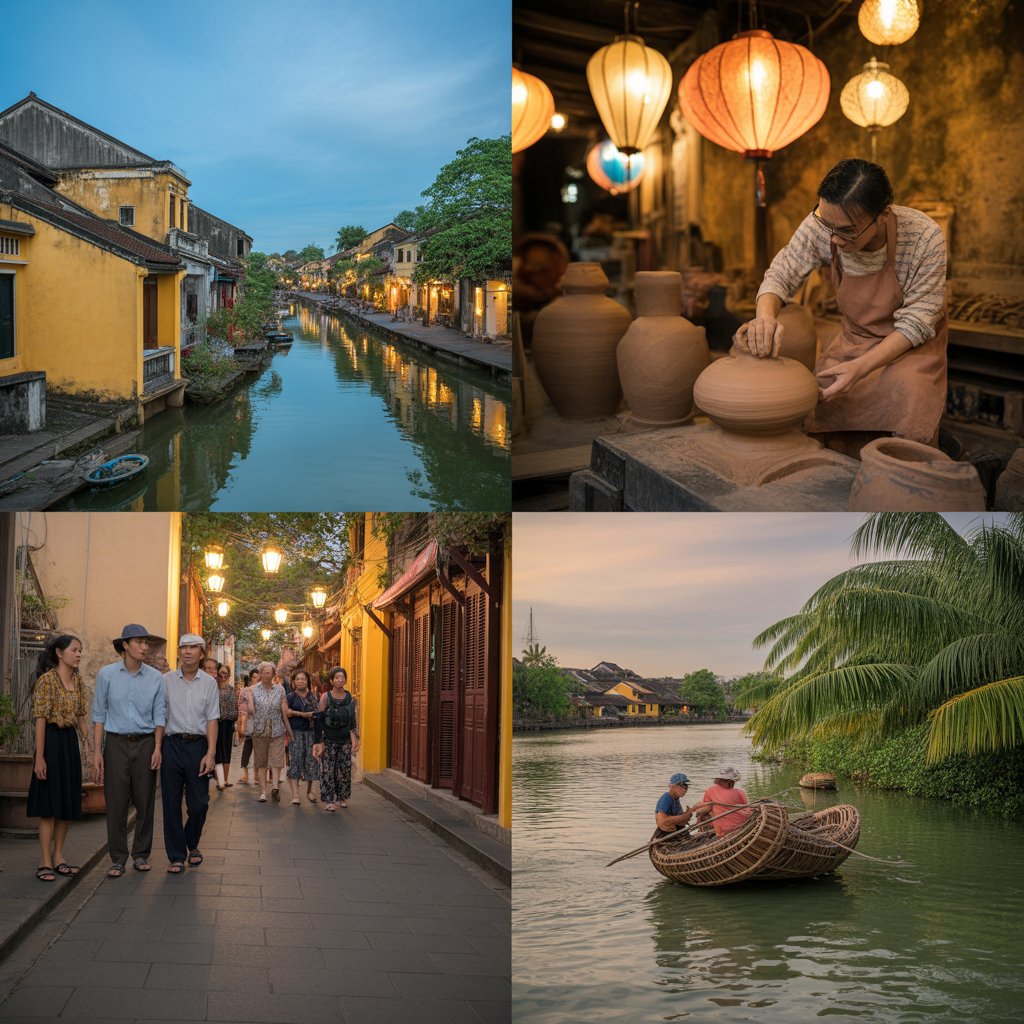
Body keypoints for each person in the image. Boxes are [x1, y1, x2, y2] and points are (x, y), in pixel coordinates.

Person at [737, 159, 947, 458]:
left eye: (846, 231)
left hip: (911, 349)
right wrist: (764, 317)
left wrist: (860, 369)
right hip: (855, 340)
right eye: (827, 225)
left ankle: (892, 486)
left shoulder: (924, 237)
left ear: (883, 215)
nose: (833, 238)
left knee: (909, 399)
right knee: (820, 397)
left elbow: (918, 322)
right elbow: (782, 273)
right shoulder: (825, 223)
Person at [92, 624, 167, 878]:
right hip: (115, 743)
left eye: (147, 643)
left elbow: (160, 716)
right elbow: (98, 715)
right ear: (125, 645)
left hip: (146, 742)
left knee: (146, 800)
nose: (145, 647)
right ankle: (117, 857)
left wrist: (157, 747)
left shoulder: (156, 678)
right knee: (115, 802)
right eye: (139, 642)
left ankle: (141, 854)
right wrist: (95, 753)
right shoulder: (106, 675)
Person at [27, 636, 88, 882]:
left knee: (67, 806)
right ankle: (44, 860)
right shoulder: (47, 681)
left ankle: (59, 856)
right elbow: (40, 720)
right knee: (49, 807)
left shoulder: (79, 681)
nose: (78, 654)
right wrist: (39, 758)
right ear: (59, 653)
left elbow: (81, 717)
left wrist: (89, 745)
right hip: (51, 742)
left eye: (80, 650)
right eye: (74, 650)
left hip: (70, 744)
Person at [160, 635, 219, 874]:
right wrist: (157, 748)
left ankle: (191, 841)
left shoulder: (209, 683)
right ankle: (176, 855)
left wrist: (211, 753)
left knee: (199, 803)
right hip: (171, 745)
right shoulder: (166, 681)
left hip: (198, 747)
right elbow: (159, 718)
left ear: (201, 654)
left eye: (193, 647)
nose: (187, 652)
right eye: (183, 647)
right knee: (171, 802)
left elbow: (212, 718)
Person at [242, 661, 292, 802]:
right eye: (264, 672)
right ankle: (263, 791)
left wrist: (288, 728)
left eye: (269, 672)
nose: (266, 675)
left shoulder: (280, 689)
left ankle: (275, 787)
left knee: (277, 759)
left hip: (277, 728)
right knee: (261, 761)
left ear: (273, 674)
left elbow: (284, 708)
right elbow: (250, 711)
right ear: (260, 674)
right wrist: (250, 702)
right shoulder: (252, 690)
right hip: (259, 729)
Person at [312, 667, 360, 812]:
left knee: (344, 769)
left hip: (344, 739)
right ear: (331, 681)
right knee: (328, 770)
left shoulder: (349, 697)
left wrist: (354, 738)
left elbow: (352, 719)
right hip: (328, 739)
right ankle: (329, 799)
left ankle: (342, 797)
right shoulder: (326, 697)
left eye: (342, 677)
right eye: (337, 677)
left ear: (345, 679)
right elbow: (318, 719)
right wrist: (318, 741)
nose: (340, 680)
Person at [285, 669, 320, 805]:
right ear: (294, 682)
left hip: (311, 734)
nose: (300, 681)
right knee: (296, 762)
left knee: (312, 762)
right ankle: (295, 794)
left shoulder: (313, 697)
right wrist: (302, 714)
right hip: (296, 733)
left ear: (307, 681)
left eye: (303, 679)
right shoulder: (290, 697)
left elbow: (318, 714)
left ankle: (311, 791)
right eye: (298, 679)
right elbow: (286, 713)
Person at [695, 767, 752, 837]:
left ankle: (705, 831)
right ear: (730, 781)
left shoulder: (712, 789)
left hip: (723, 832)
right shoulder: (740, 792)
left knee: (707, 809)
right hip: (743, 827)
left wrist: (697, 812)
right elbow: (747, 810)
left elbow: (706, 808)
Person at [213, 664, 238, 790]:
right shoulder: (212, 688)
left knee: (226, 751)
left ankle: (225, 779)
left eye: (225, 674)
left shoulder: (231, 690)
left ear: (228, 675)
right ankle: (219, 781)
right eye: (220, 673)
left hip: (227, 724)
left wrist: (227, 717)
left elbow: (234, 709)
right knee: (217, 751)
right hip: (214, 724)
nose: (222, 676)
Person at [237, 667, 260, 783]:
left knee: (258, 751)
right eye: (255, 677)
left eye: (259, 677)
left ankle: (257, 775)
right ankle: (245, 775)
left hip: (260, 724)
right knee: (247, 749)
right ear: (251, 679)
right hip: (249, 723)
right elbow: (241, 708)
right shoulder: (245, 691)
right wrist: (240, 725)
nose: (257, 679)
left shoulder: (264, 691)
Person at [654, 773, 694, 838]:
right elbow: (662, 821)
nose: (684, 789)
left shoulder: (676, 799)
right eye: (681, 786)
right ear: (672, 787)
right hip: (666, 836)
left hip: (677, 833)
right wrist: (684, 817)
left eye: (686, 786)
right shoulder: (666, 799)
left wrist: (688, 814)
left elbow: (680, 821)